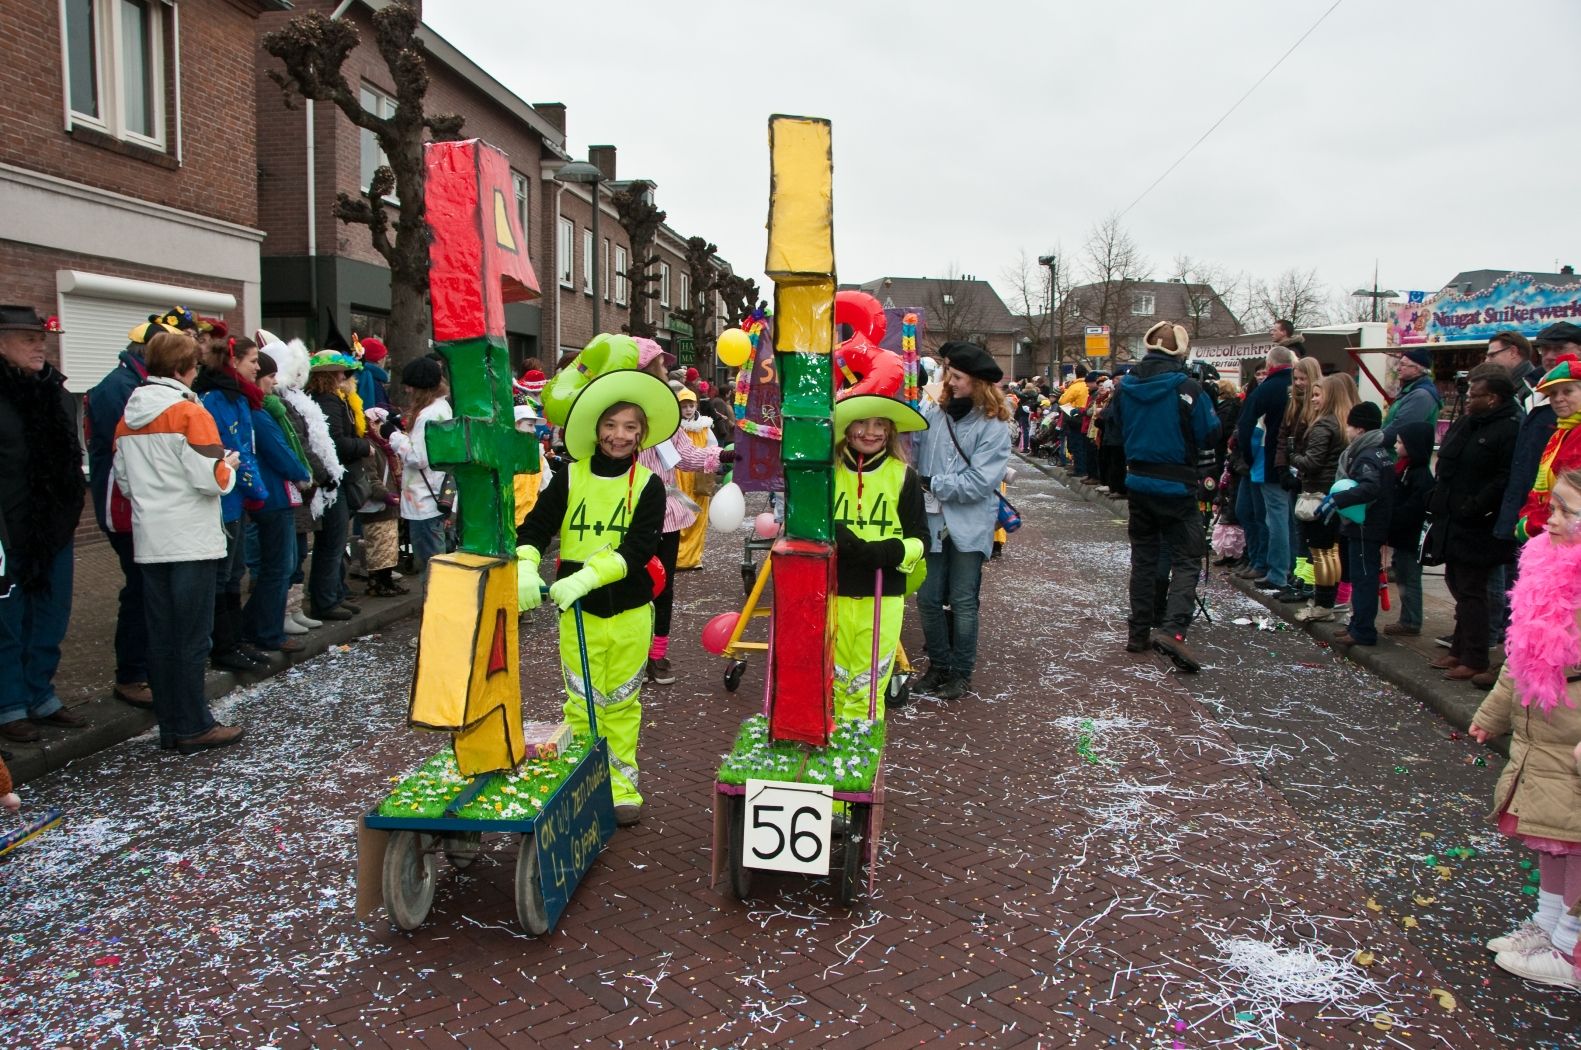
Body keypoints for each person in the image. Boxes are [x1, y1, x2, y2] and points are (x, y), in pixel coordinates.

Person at [514, 366, 674, 827]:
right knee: (582, 703)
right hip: (578, 612)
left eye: (629, 427)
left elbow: (640, 548)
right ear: (596, 429)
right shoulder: (569, 476)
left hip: (629, 609)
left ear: (641, 434)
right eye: (610, 425)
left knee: (621, 703)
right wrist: (525, 563)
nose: (619, 436)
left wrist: (586, 577)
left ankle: (621, 786)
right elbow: (536, 527)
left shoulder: (650, 484)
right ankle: (582, 782)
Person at [1470, 466, 1581, 992]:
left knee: (1576, 845)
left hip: (1571, 742)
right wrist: (1492, 714)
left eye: (1566, 511)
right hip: (1546, 739)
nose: (1550, 519)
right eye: (1552, 506)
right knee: (1553, 839)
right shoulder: (1546, 566)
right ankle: (1549, 926)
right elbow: (1520, 659)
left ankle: (1571, 951)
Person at [112, 331, 244, 753]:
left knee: (163, 636)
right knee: (191, 637)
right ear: (184, 368)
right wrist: (229, 466)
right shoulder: (190, 412)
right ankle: (194, 725)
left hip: (151, 539)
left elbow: (124, 483)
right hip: (190, 539)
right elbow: (211, 480)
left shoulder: (128, 417)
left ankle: (172, 725)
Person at [1107, 321, 1219, 670]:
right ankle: (1173, 629)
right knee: (1187, 557)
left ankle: (1138, 631)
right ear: (1180, 352)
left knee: (1143, 559)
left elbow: (1114, 427)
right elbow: (1210, 431)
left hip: (1139, 481)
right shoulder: (1187, 387)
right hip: (1177, 484)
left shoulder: (1126, 387)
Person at [0, 305, 89, 744]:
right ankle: (10, 705)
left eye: (42, 339)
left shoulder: (53, 389)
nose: (40, 347)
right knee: (8, 621)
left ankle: (41, 694)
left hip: (53, 526)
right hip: (7, 529)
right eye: (28, 339)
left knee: (51, 616)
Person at [913, 341, 1012, 699]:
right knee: (927, 598)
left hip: (969, 524)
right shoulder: (934, 413)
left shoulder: (994, 425)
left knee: (963, 600)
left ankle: (961, 673)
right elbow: (915, 453)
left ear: (977, 382)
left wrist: (932, 483)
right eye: (948, 374)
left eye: (957, 377)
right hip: (932, 522)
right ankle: (938, 665)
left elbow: (980, 482)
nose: (949, 382)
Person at [85, 319, 176, 708]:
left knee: (152, 588)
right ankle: (131, 674)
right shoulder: (119, 388)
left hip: (145, 502)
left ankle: (149, 667)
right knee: (140, 588)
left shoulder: (139, 384)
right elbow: (131, 449)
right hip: (125, 504)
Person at [634, 339, 727, 685]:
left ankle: (656, 655)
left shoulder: (667, 415)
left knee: (663, 587)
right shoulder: (618, 413)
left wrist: (722, 456)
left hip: (665, 513)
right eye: (660, 364)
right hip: (626, 513)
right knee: (629, 585)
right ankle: (630, 655)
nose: (666, 370)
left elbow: (685, 455)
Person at [831, 394, 927, 720]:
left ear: (889, 431)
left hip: (883, 591)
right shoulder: (827, 474)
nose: (870, 432)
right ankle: (832, 744)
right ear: (847, 428)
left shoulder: (904, 475)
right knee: (833, 682)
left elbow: (921, 539)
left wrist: (887, 551)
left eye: (879, 425)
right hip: (833, 589)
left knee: (867, 687)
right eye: (861, 422)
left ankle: (859, 747)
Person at [1423, 365, 1520, 684]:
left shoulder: (1509, 427)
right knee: (1456, 582)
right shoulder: (1469, 422)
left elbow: (1504, 476)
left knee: (1472, 589)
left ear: (1492, 398)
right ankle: (1460, 647)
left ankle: (1475, 656)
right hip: (1453, 515)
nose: (1467, 399)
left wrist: (1477, 505)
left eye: (1474, 395)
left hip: (1479, 521)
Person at [197, 337, 272, 673]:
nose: (258, 367)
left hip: (238, 497)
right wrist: (253, 486)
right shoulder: (217, 399)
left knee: (234, 572)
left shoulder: (238, 396)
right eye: (253, 360)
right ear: (234, 360)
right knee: (222, 575)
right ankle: (223, 646)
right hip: (225, 497)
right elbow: (230, 448)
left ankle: (235, 639)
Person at [264, 336, 342, 634]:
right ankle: (281, 614)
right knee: (287, 556)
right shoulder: (279, 406)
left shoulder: (293, 402)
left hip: (302, 489)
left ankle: (293, 609)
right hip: (293, 488)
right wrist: (318, 474)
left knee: (296, 554)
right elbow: (298, 446)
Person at [242, 351, 312, 654]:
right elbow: (280, 451)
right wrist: (302, 472)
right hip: (274, 495)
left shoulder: (264, 411)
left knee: (281, 564)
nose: (274, 381)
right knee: (279, 566)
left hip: (275, 494)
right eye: (269, 376)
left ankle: (255, 625)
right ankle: (266, 630)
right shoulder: (260, 414)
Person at [1322, 402, 1394, 646]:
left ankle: (1363, 630)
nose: (1347, 430)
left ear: (1360, 430)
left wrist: (1339, 499)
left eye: (1350, 426)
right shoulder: (1378, 452)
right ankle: (1357, 624)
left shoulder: (1367, 455)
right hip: (1367, 524)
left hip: (1365, 525)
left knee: (1364, 578)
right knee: (1362, 576)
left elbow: (1370, 488)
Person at [306, 352, 371, 620]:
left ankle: (334, 594)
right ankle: (325, 601)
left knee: (334, 541)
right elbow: (336, 442)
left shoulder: (335, 399)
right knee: (332, 542)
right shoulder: (329, 400)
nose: (346, 376)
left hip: (338, 478)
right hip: (334, 480)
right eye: (341, 372)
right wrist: (364, 446)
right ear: (330, 376)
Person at [1291, 374, 1357, 621]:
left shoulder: (1323, 425)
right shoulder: (1343, 424)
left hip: (1318, 494)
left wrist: (1293, 457)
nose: (1313, 399)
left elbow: (1312, 462)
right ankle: (1332, 602)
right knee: (1332, 551)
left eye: (1318, 395)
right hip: (1335, 492)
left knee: (1321, 552)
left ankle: (1323, 604)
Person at [1237, 344, 1296, 592]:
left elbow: (1246, 423)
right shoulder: (1297, 387)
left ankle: (1278, 572)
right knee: (1286, 517)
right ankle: (1288, 568)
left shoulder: (1268, 389)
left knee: (1274, 518)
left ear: (1270, 365)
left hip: (1268, 459)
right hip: (1294, 460)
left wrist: (1247, 456)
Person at [393, 356, 452, 573]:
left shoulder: (428, 415)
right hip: (436, 495)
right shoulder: (442, 407)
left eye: (411, 386)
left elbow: (418, 458)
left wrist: (393, 437)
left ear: (421, 388)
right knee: (439, 564)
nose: (407, 390)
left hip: (424, 501)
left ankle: (435, 596)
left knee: (432, 568)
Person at [1271, 357, 1323, 601]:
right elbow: (1283, 437)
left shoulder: (1318, 407)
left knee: (1308, 533)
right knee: (1298, 530)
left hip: (1310, 476)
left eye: (1303, 379)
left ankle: (1308, 580)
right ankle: (1299, 576)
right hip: (1295, 471)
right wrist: (1282, 467)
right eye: (1297, 379)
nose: (1300, 383)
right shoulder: (1292, 402)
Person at [1515, 355, 1581, 541]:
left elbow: (1571, 493)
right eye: (1552, 393)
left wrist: (1531, 525)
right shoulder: (1561, 433)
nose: (1558, 399)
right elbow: (1539, 491)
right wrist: (1527, 517)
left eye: (1567, 391)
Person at [1383, 421, 1436, 638]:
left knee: (1409, 579)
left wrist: (1392, 517)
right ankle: (1407, 618)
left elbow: (1412, 509)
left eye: (1400, 442)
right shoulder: (1404, 469)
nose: (1395, 446)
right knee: (1403, 577)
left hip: (1411, 538)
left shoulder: (1419, 475)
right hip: (1402, 536)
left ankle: (1411, 621)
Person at [673, 387, 718, 570]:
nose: (688, 410)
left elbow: (712, 449)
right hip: (678, 476)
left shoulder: (705, 427)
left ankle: (693, 558)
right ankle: (677, 558)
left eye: (691, 406)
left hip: (698, 477)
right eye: (684, 406)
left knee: (697, 516)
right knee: (677, 514)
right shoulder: (673, 427)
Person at [1380, 348, 1443, 446]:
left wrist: (1372, 442)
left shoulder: (1421, 396)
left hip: (1400, 454)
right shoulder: (1409, 390)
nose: (1398, 368)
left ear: (1416, 369)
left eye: (1403, 364)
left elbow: (1399, 429)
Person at [354, 335, 391, 409]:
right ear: (379, 359)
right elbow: (381, 410)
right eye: (384, 356)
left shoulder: (354, 373)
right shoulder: (373, 380)